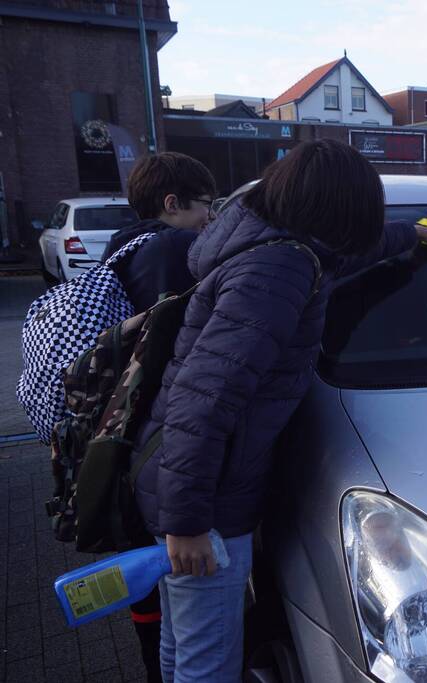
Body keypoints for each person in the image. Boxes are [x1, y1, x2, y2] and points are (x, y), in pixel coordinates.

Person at [128, 139, 427, 681]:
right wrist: (187, 524)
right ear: (337, 211)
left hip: (180, 484)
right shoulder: (277, 273)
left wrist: (412, 238)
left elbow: (348, 253)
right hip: (204, 505)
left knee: (183, 643)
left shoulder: (271, 243)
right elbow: (202, 401)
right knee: (208, 661)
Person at [98, 151, 217, 683]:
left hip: (116, 427)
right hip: (155, 436)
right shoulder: (174, 248)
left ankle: (154, 666)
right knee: (173, 589)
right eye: (206, 208)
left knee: (147, 592)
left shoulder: (121, 246)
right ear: (173, 203)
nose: (210, 221)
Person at [102, 151, 217, 312]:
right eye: (207, 204)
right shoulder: (178, 244)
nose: (213, 215)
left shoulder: (121, 246)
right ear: (172, 205)